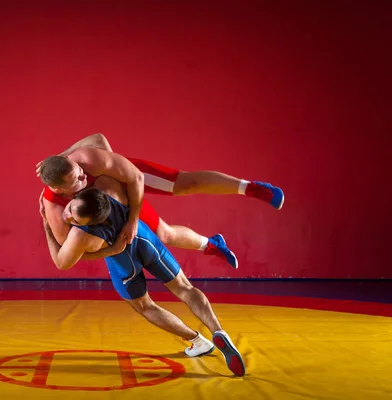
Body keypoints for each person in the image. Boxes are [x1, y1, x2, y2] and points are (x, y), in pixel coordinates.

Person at [40, 174, 246, 377]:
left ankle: (198, 340)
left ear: (90, 222)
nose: (66, 216)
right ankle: (218, 330)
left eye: (74, 218)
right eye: (70, 210)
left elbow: (62, 262)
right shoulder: (109, 187)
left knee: (145, 306)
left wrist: (47, 225)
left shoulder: (83, 235)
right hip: (144, 239)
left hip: (123, 264)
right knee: (185, 288)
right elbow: (126, 170)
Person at [37, 133, 284, 270]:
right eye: (76, 177)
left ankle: (252, 188)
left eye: (79, 169)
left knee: (186, 183)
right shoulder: (54, 205)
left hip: (126, 180)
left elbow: (108, 148)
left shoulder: (85, 159)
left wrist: (132, 220)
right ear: (60, 189)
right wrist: (109, 246)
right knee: (164, 235)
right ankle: (211, 245)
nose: (82, 173)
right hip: (112, 206)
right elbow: (67, 253)